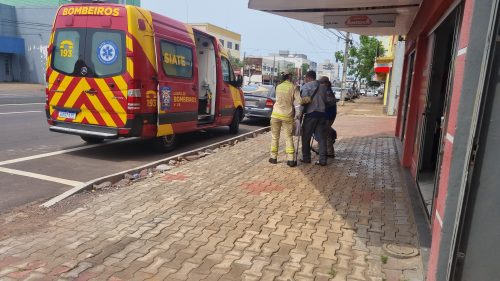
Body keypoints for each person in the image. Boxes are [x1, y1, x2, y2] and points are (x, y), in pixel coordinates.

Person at [298, 71, 333, 166]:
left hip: (310, 115)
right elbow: (327, 101)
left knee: (306, 137)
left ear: (308, 78)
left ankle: (306, 158)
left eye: (305, 78)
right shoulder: (323, 87)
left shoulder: (306, 86)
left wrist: (300, 115)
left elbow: (303, 102)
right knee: (321, 138)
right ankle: (323, 160)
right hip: (322, 115)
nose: (305, 80)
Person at [269, 72, 301, 167]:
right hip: (287, 115)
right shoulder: (293, 87)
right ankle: (290, 160)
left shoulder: (278, 86)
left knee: (275, 137)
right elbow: (300, 101)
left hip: (275, 114)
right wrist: (308, 99)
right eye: (292, 76)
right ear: (289, 76)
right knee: (288, 137)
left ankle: (273, 158)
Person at [319, 76, 337, 158]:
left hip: (328, 115)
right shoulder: (327, 90)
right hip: (329, 115)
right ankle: (328, 151)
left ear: (325, 83)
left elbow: (328, 103)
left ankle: (329, 152)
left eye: (321, 83)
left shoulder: (327, 91)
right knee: (326, 133)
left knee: (326, 134)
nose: (320, 85)